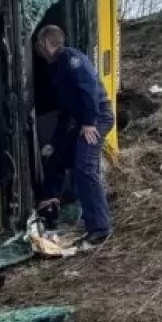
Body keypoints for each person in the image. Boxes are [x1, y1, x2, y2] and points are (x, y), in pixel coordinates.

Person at [35, 25, 114, 249]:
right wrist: (53, 142)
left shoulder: (71, 59)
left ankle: (100, 228)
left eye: (38, 46)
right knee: (57, 160)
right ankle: (49, 213)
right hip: (81, 122)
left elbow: (88, 87)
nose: (37, 51)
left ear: (46, 44)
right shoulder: (57, 68)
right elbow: (66, 110)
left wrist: (89, 122)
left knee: (84, 168)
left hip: (97, 118)